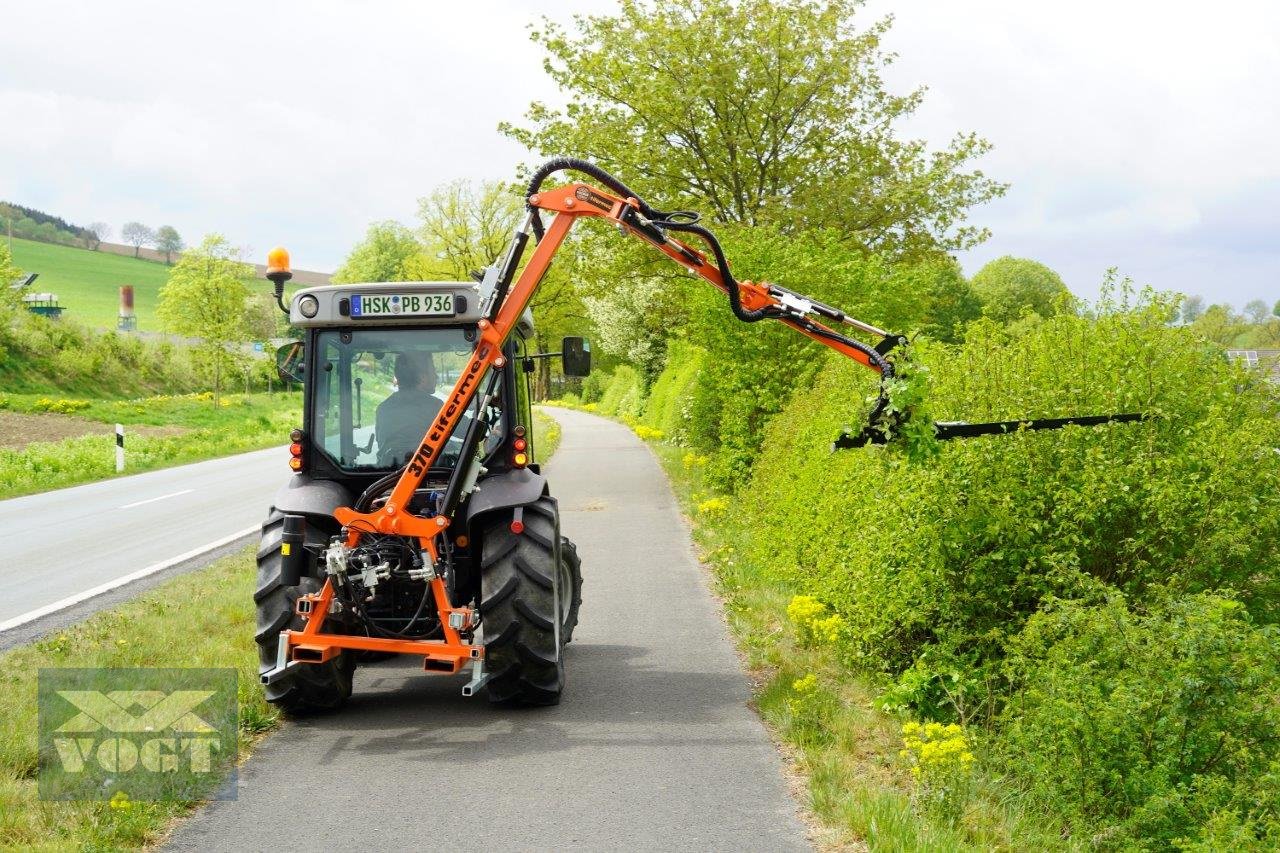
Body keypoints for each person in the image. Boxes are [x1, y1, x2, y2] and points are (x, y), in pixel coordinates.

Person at [375, 352, 442, 467]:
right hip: (424, 475)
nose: (437, 376)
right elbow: (469, 432)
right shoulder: (433, 406)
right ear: (422, 377)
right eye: (433, 371)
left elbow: (382, 442)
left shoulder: (382, 408)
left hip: (385, 475)